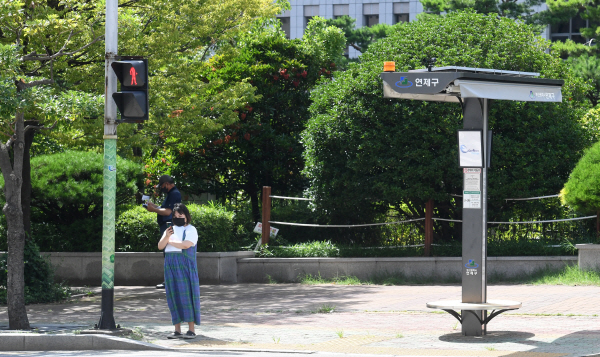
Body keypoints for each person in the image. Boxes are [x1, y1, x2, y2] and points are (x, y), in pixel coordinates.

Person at [158, 203, 201, 339]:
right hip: (170, 265)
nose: (177, 218)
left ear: (186, 217)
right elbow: (160, 246)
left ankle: (191, 330)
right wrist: (166, 237)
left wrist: (169, 242)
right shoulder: (169, 230)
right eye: (175, 216)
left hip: (185, 265)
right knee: (173, 295)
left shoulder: (191, 229)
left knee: (187, 296)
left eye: (180, 216)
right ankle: (177, 330)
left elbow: (186, 244)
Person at [145, 174, 182, 289]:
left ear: (166, 184)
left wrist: (153, 210)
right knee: (168, 253)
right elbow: (165, 208)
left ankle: (169, 281)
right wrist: (154, 206)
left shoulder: (174, 194)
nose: (161, 188)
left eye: (162, 186)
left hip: (168, 225)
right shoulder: (172, 194)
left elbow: (167, 212)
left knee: (169, 253)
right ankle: (170, 281)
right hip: (167, 226)